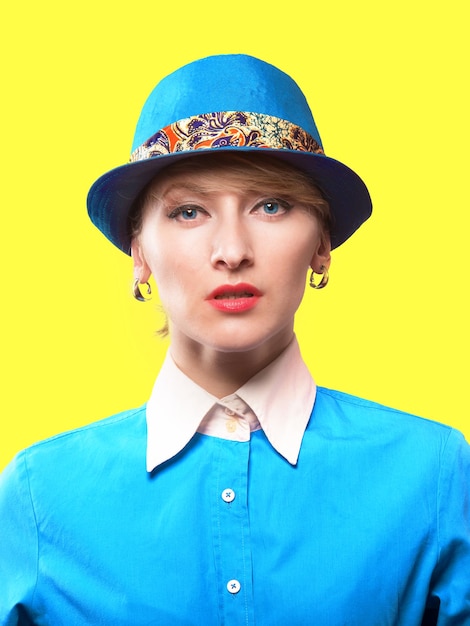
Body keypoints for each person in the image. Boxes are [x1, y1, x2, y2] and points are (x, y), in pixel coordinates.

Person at [0, 54, 468, 626]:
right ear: (139, 252)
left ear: (322, 242)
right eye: (189, 211)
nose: (232, 250)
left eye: (271, 206)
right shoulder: (40, 496)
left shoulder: (433, 474)